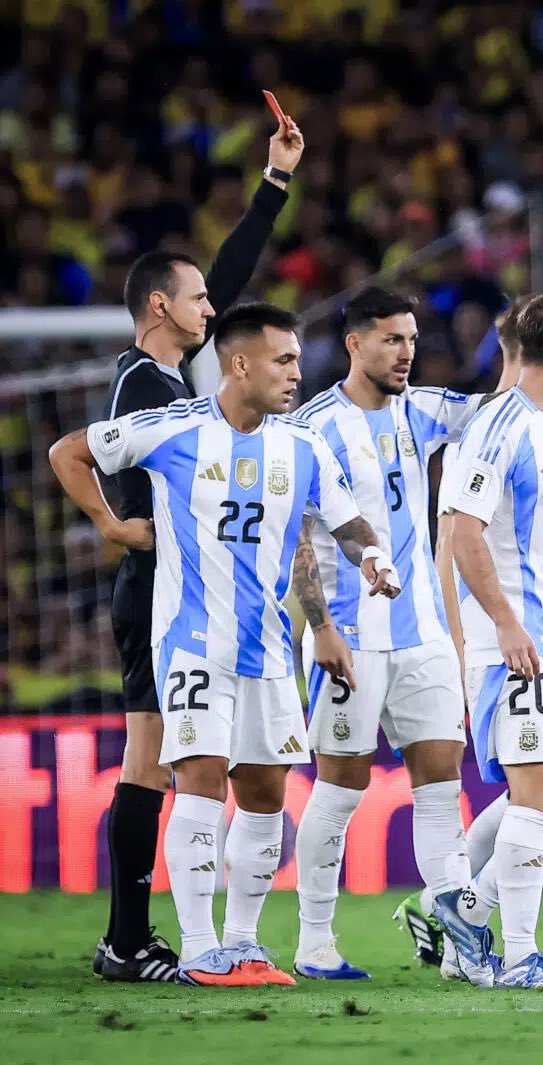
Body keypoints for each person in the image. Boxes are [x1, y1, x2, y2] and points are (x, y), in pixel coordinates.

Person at [49, 302, 400, 987]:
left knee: (265, 791)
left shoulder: (302, 445)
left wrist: (373, 559)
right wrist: (112, 525)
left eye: (296, 359)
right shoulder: (172, 427)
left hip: (266, 648)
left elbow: (345, 521)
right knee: (202, 779)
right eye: (283, 360)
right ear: (240, 364)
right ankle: (199, 948)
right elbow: (69, 452)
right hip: (193, 642)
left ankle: (242, 944)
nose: (296, 373)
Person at [90, 117, 304, 982]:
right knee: (151, 761)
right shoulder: (143, 383)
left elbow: (230, 278)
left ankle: (130, 936)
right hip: (161, 589)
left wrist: (274, 185)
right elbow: (93, 460)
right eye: (198, 301)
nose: (213, 310)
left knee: (156, 761)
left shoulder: (172, 377)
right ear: (160, 308)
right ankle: (126, 939)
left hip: (182, 589)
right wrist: (116, 524)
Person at [399, 297, 543, 973]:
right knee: (536, 793)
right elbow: (463, 534)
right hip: (517, 642)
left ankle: (465, 912)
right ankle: (521, 955)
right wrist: (503, 622)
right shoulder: (498, 426)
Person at [289, 286, 486, 981]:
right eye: (391, 340)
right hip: (349, 634)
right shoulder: (313, 427)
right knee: (340, 786)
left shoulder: (423, 410)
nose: (406, 353)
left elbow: (504, 409)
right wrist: (320, 628)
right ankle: (315, 942)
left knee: (440, 784)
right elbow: (299, 539)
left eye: (411, 340)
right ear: (355, 343)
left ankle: (460, 943)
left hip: (424, 633)